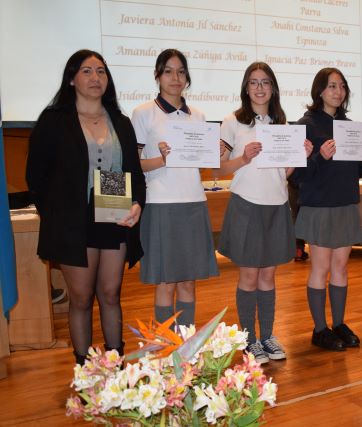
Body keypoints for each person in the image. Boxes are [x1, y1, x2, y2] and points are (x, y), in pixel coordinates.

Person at [26, 49, 145, 364]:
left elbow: (134, 174)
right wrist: (55, 215)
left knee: (110, 293)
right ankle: (84, 369)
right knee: (80, 298)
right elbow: (35, 176)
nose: (96, 78)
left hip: (114, 213)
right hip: (72, 222)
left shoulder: (121, 121)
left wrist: (137, 204)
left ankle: (116, 367)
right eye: (87, 71)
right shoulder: (54, 121)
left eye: (101, 71)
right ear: (72, 79)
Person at [217, 62, 312, 363]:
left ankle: (267, 336)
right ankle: (249, 340)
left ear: (273, 88)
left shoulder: (282, 126)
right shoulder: (232, 121)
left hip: (276, 204)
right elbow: (219, 169)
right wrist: (244, 158)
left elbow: (283, 173)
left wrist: (301, 155)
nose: (260, 88)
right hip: (246, 204)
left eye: (265, 82)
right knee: (249, 276)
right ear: (246, 88)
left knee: (268, 276)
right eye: (254, 82)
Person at [292, 67, 362, 351]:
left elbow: (355, 171)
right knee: (320, 268)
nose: (338, 92)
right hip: (319, 206)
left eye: (342, 86)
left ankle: (339, 324)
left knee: (341, 267)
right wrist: (320, 156)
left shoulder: (350, 126)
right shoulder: (305, 125)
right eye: (332, 86)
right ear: (319, 90)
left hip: (345, 203)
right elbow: (297, 176)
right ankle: (320, 329)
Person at [131, 49, 219, 328]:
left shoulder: (199, 116)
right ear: (157, 75)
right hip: (161, 204)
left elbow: (200, 165)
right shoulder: (143, 113)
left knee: (188, 282)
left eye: (181, 72)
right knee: (166, 282)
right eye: (168, 71)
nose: (175, 77)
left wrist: (211, 153)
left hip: (194, 202)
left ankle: (186, 344)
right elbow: (133, 165)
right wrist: (162, 159)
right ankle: (165, 346)